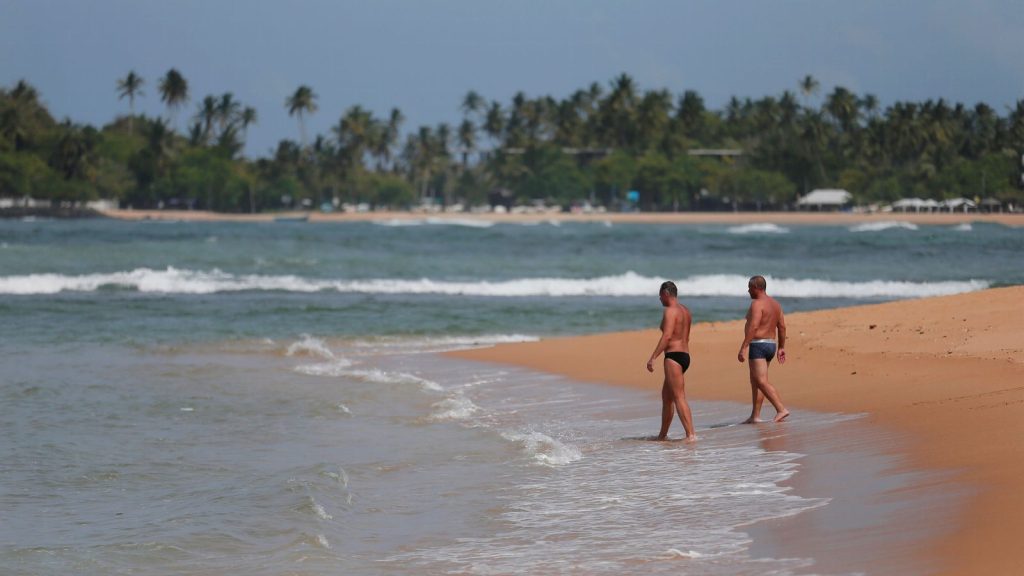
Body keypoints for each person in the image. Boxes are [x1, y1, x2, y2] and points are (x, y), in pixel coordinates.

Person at [646, 281, 697, 441]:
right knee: (667, 397)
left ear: (666, 294)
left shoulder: (670, 311)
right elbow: (684, 334)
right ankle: (663, 435)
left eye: (660, 295)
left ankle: (691, 435)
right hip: (684, 355)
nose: (659, 298)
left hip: (673, 356)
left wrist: (653, 357)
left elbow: (666, 335)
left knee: (678, 396)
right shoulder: (685, 311)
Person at [737, 275, 790, 423]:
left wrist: (744, 347)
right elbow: (782, 327)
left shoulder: (757, 304)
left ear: (756, 288)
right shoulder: (776, 304)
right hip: (770, 345)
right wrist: (781, 348)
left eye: (749, 288)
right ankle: (755, 416)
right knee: (756, 381)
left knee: (760, 381)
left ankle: (781, 409)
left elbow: (753, 326)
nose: (748, 291)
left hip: (758, 345)